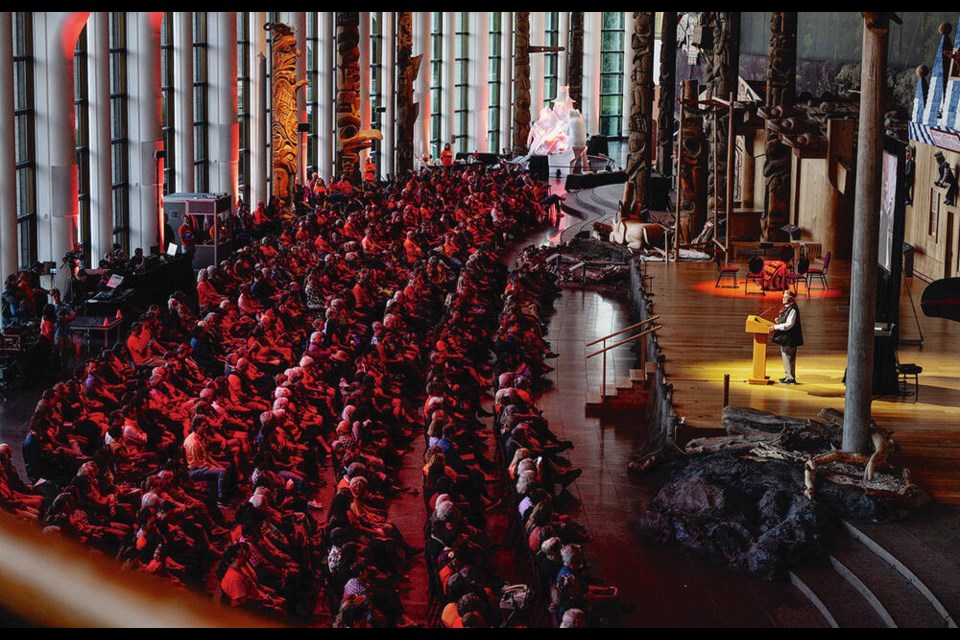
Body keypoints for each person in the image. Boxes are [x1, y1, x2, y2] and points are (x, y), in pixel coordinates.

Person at [768, 289, 803, 384]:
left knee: (787, 357)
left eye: (785, 297)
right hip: (788, 337)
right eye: (783, 297)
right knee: (789, 358)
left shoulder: (793, 309)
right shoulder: (788, 307)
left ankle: (790, 378)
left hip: (789, 338)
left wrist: (775, 327)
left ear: (791, 298)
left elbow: (789, 325)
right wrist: (779, 321)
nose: (783, 299)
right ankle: (789, 376)